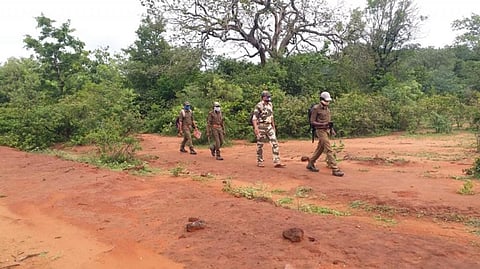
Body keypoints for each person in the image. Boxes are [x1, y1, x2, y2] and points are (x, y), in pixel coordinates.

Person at [306, 91, 344, 176]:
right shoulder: (316, 109)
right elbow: (312, 122)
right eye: (326, 101)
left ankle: (310, 163)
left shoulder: (327, 109)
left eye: (328, 101)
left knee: (320, 148)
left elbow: (328, 121)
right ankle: (335, 168)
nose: (327, 102)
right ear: (321, 100)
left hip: (326, 130)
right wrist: (322, 124)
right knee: (329, 149)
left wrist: (331, 129)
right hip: (320, 130)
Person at [252, 90, 286, 168]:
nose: (268, 98)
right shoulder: (259, 105)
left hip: (269, 126)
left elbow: (271, 116)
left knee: (275, 143)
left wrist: (273, 126)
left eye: (269, 97)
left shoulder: (270, 105)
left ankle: (277, 161)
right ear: (263, 97)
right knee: (260, 144)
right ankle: (259, 161)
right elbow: (254, 118)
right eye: (267, 97)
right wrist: (256, 128)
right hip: (261, 126)